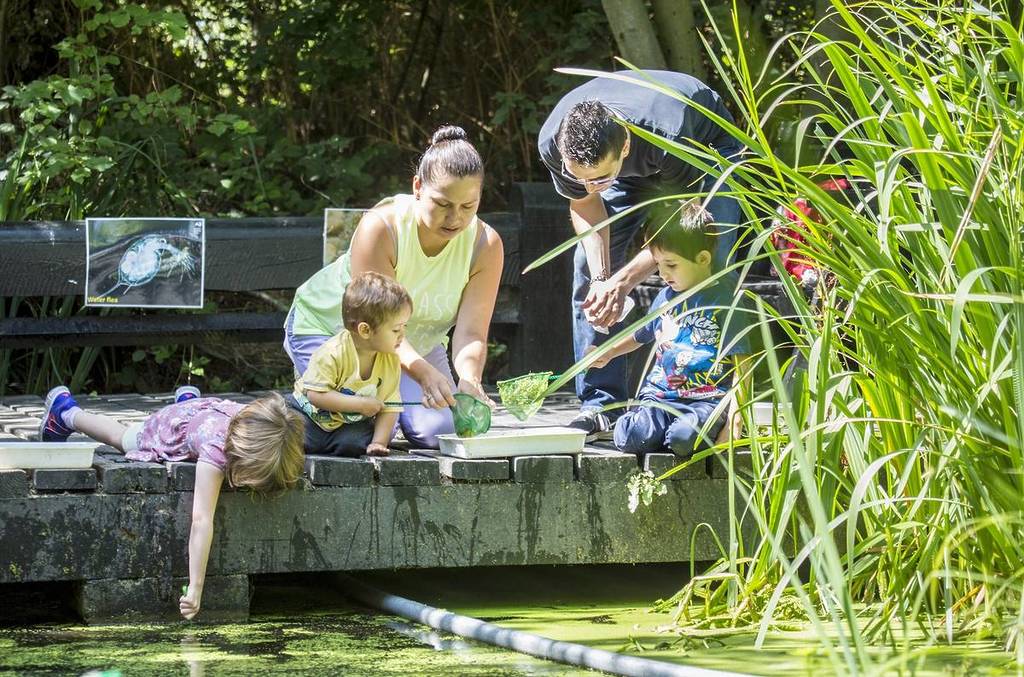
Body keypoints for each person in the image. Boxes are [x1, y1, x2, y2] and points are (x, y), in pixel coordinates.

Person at [537, 69, 743, 440]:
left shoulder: (671, 131)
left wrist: (625, 280)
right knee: (588, 269)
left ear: (625, 148)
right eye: (578, 175)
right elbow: (585, 203)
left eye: (597, 177)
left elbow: (682, 229)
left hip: (708, 152)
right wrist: (604, 279)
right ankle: (601, 405)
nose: (587, 184)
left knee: (705, 262)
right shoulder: (557, 142)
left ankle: (712, 399)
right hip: (631, 170)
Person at [285, 125, 503, 449]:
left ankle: (390, 403)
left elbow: (471, 333)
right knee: (350, 418)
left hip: (413, 343)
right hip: (338, 332)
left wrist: (469, 380)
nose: (455, 218)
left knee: (439, 432)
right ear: (417, 187)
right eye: (443, 203)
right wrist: (423, 375)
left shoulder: (486, 245)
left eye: (468, 206)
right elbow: (376, 322)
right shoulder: (381, 227)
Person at [38, 385, 305, 620]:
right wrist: (195, 588)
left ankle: (186, 400)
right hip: (168, 427)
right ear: (238, 453)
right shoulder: (215, 450)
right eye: (250, 478)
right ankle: (66, 413)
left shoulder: (261, 426)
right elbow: (201, 519)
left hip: (202, 413)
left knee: (189, 420)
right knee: (121, 437)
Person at [587, 201, 753, 457]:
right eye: (658, 264)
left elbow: (744, 364)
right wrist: (608, 352)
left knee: (682, 439)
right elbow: (640, 336)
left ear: (703, 259)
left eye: (671, 265)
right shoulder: (665, 297)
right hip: (660, 397)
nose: (663, 274)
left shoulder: (726, 301)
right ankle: (641, 425)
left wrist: (735, 422)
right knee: (633, 437)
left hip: (704, 400)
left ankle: (673, 434)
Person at [288, 272, 411, 456]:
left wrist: (378, 442)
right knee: (288, 430)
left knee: (355, 442)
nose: (402, 335)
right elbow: (316, 395)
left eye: (405, 327)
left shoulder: (390, 360)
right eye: (395, 329)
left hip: (346, 425)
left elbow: (390, 406)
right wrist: (360, 404)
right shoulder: (333, 352)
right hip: (309, 416)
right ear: (365, 330)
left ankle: (330, 448)